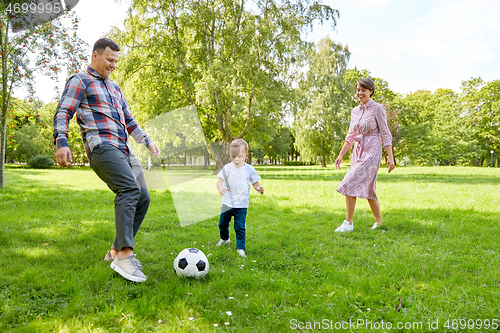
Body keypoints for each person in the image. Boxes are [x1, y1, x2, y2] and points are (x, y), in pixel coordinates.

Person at [53, 38, 160, 282]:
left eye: (116, 61)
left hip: (124, 149)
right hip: (102, 146)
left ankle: (114, 251)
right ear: (95, 56)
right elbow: (63, 111)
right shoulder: (80, 80)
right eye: (109, 60)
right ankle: (125, 255)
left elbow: (130, 120)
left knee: (143, 197)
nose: (113, 65)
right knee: (129, 188)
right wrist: (61, 142)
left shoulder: (115, 88)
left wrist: (147, 140)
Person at [334, 77, 395, 232]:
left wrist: (390, 156)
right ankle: (379, 222)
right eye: (358, 90)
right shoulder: (354, 111)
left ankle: (348, 223)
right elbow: (350, 135)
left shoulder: (378, 108)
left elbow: (385, 133)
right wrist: (341, 155)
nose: (360, 93)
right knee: (369, 188)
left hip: (372, 150)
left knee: (349, 182)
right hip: (358, 150)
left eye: (363, 90)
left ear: (371, 91)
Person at [216, 139, 264, 257]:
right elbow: (219, 181)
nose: (236, 159)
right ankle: (225, 239)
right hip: (227, 203)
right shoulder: (227, 168)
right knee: (222, 224)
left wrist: (258, 188)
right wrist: (220, 188)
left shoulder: (249, 169)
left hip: (241, 205)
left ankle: (240, 248)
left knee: (240, 227)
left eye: (240, 156)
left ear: (246, 156)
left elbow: (255, 182)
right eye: (233, 156)